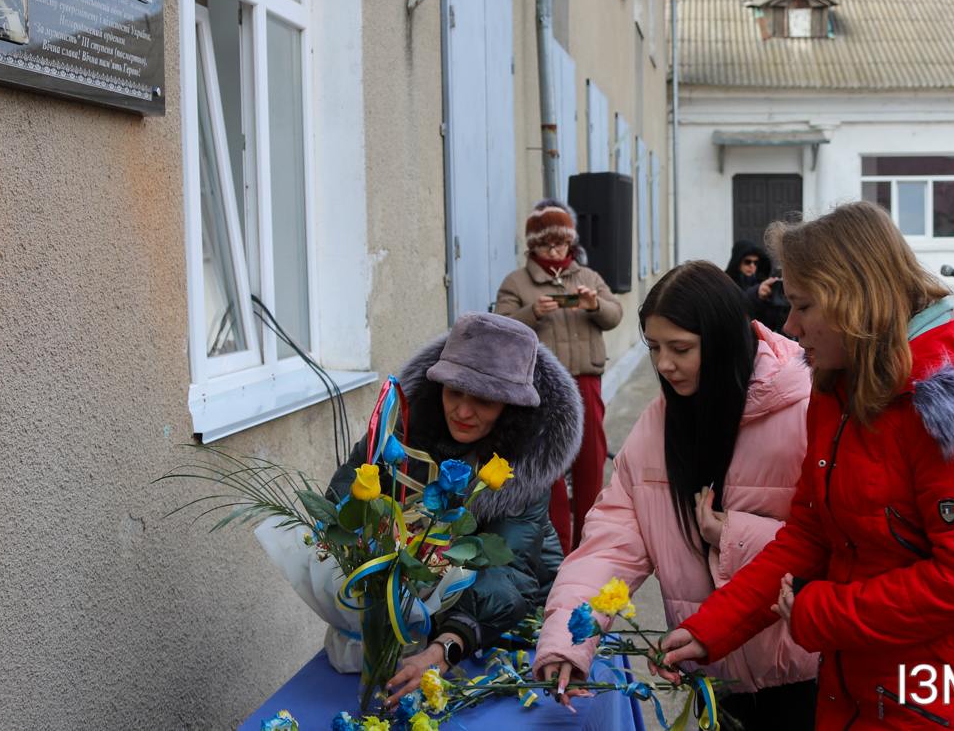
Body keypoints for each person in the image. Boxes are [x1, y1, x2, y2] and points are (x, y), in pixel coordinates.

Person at [660, 202, 954, 730]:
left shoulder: (949, 400)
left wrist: (822, 614)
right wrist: (712, 628)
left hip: (946, 696)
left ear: (853, 299)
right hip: (862, 684)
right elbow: (811, 535)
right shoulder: (840, 386)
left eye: (803, 305)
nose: (791, 326)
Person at [534, 261, 818, 729]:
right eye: (655, 347)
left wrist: (735, 534)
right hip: (714, 679)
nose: (665, 364)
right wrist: (568, 637)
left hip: (803, 675)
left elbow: (831, 543)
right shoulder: (657, 425)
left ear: (724, 341)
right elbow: (612, 542)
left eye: (681, 348)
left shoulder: (806, 409)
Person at [327, 312, 583, 700]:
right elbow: (351, 482)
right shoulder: (400, 428)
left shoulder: (523, 471)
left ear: (513, 408)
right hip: (411, 618)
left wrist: (444, 647)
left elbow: (510, 572)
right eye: (453, 392)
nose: (462, 412)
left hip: (499, 619)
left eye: (483, 400)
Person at [495, 200, 622, 554]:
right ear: (533, 246)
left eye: (562, 243)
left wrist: (594, 304)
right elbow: (503, 327)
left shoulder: (588, 277)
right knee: (548, 469)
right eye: (548, 244)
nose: (556, 251)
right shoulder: (516, 282)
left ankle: (588, 545)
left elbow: (615, 314)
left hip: (586, 383)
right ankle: (554, 549)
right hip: (542, 390)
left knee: (590, 463)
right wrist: (531, 311)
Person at [724, 240, 789, 333]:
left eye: (756, 263)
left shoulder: (761, 283)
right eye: (747, 262)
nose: (752, 266)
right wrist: (756, 293)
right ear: (738, 262)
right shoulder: (727, 283)